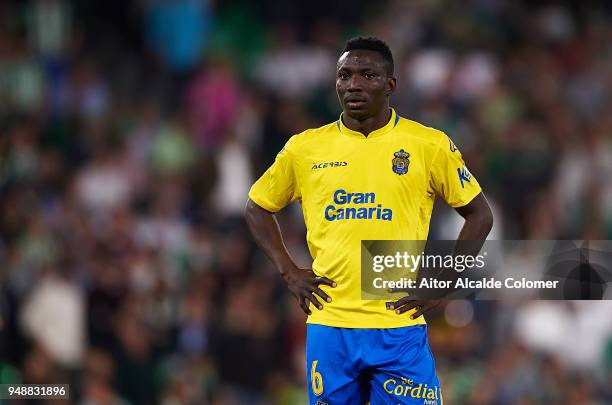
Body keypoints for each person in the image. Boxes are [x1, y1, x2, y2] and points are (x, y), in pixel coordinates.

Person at [245, 37, 493, 405]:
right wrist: (289, 271)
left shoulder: (427, 144)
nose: (354, 85)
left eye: (367, 75)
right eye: (344, 75)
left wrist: (444, 280)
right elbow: (257, 207)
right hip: (331, 325)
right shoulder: (305, 148)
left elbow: (479, 215)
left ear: (390, 85)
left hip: (397, 325)